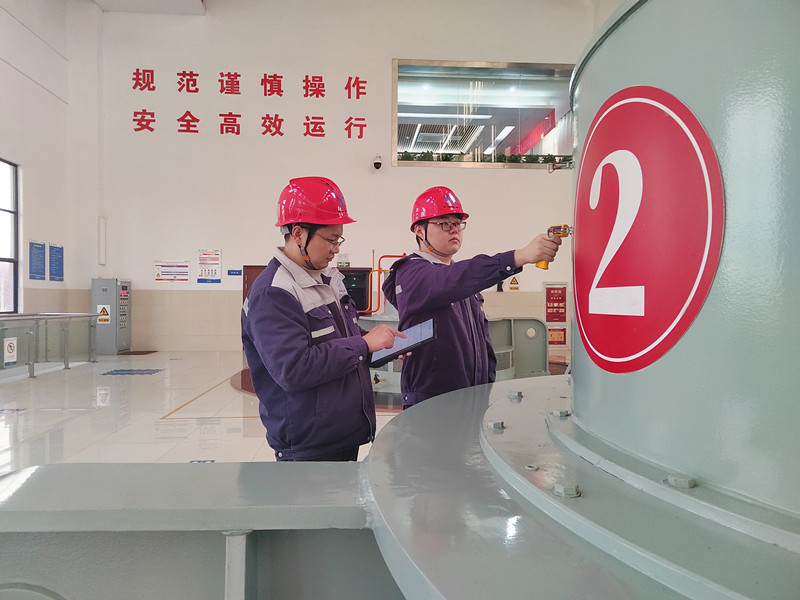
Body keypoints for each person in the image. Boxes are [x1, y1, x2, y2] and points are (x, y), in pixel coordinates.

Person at [242, 176, 402, 461]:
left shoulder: (326, 280)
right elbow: (293, 369)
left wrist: (382, 347)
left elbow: (342, 344)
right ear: (299, 234)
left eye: (339, 239)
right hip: (309, 445)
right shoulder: (274, 292)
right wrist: (364, 344)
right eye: (330, 239)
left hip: (341, 433)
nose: (336, 248)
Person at [382, 185, 562, 409]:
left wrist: (485, 387)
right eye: (445, 223)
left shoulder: (459, 279)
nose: (454, 230)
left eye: (458, 224)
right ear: (420, 231)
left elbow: (481, 341)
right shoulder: (412, 273)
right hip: (432, 404)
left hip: (471, 399)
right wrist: (519, 256)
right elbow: (451, 279)